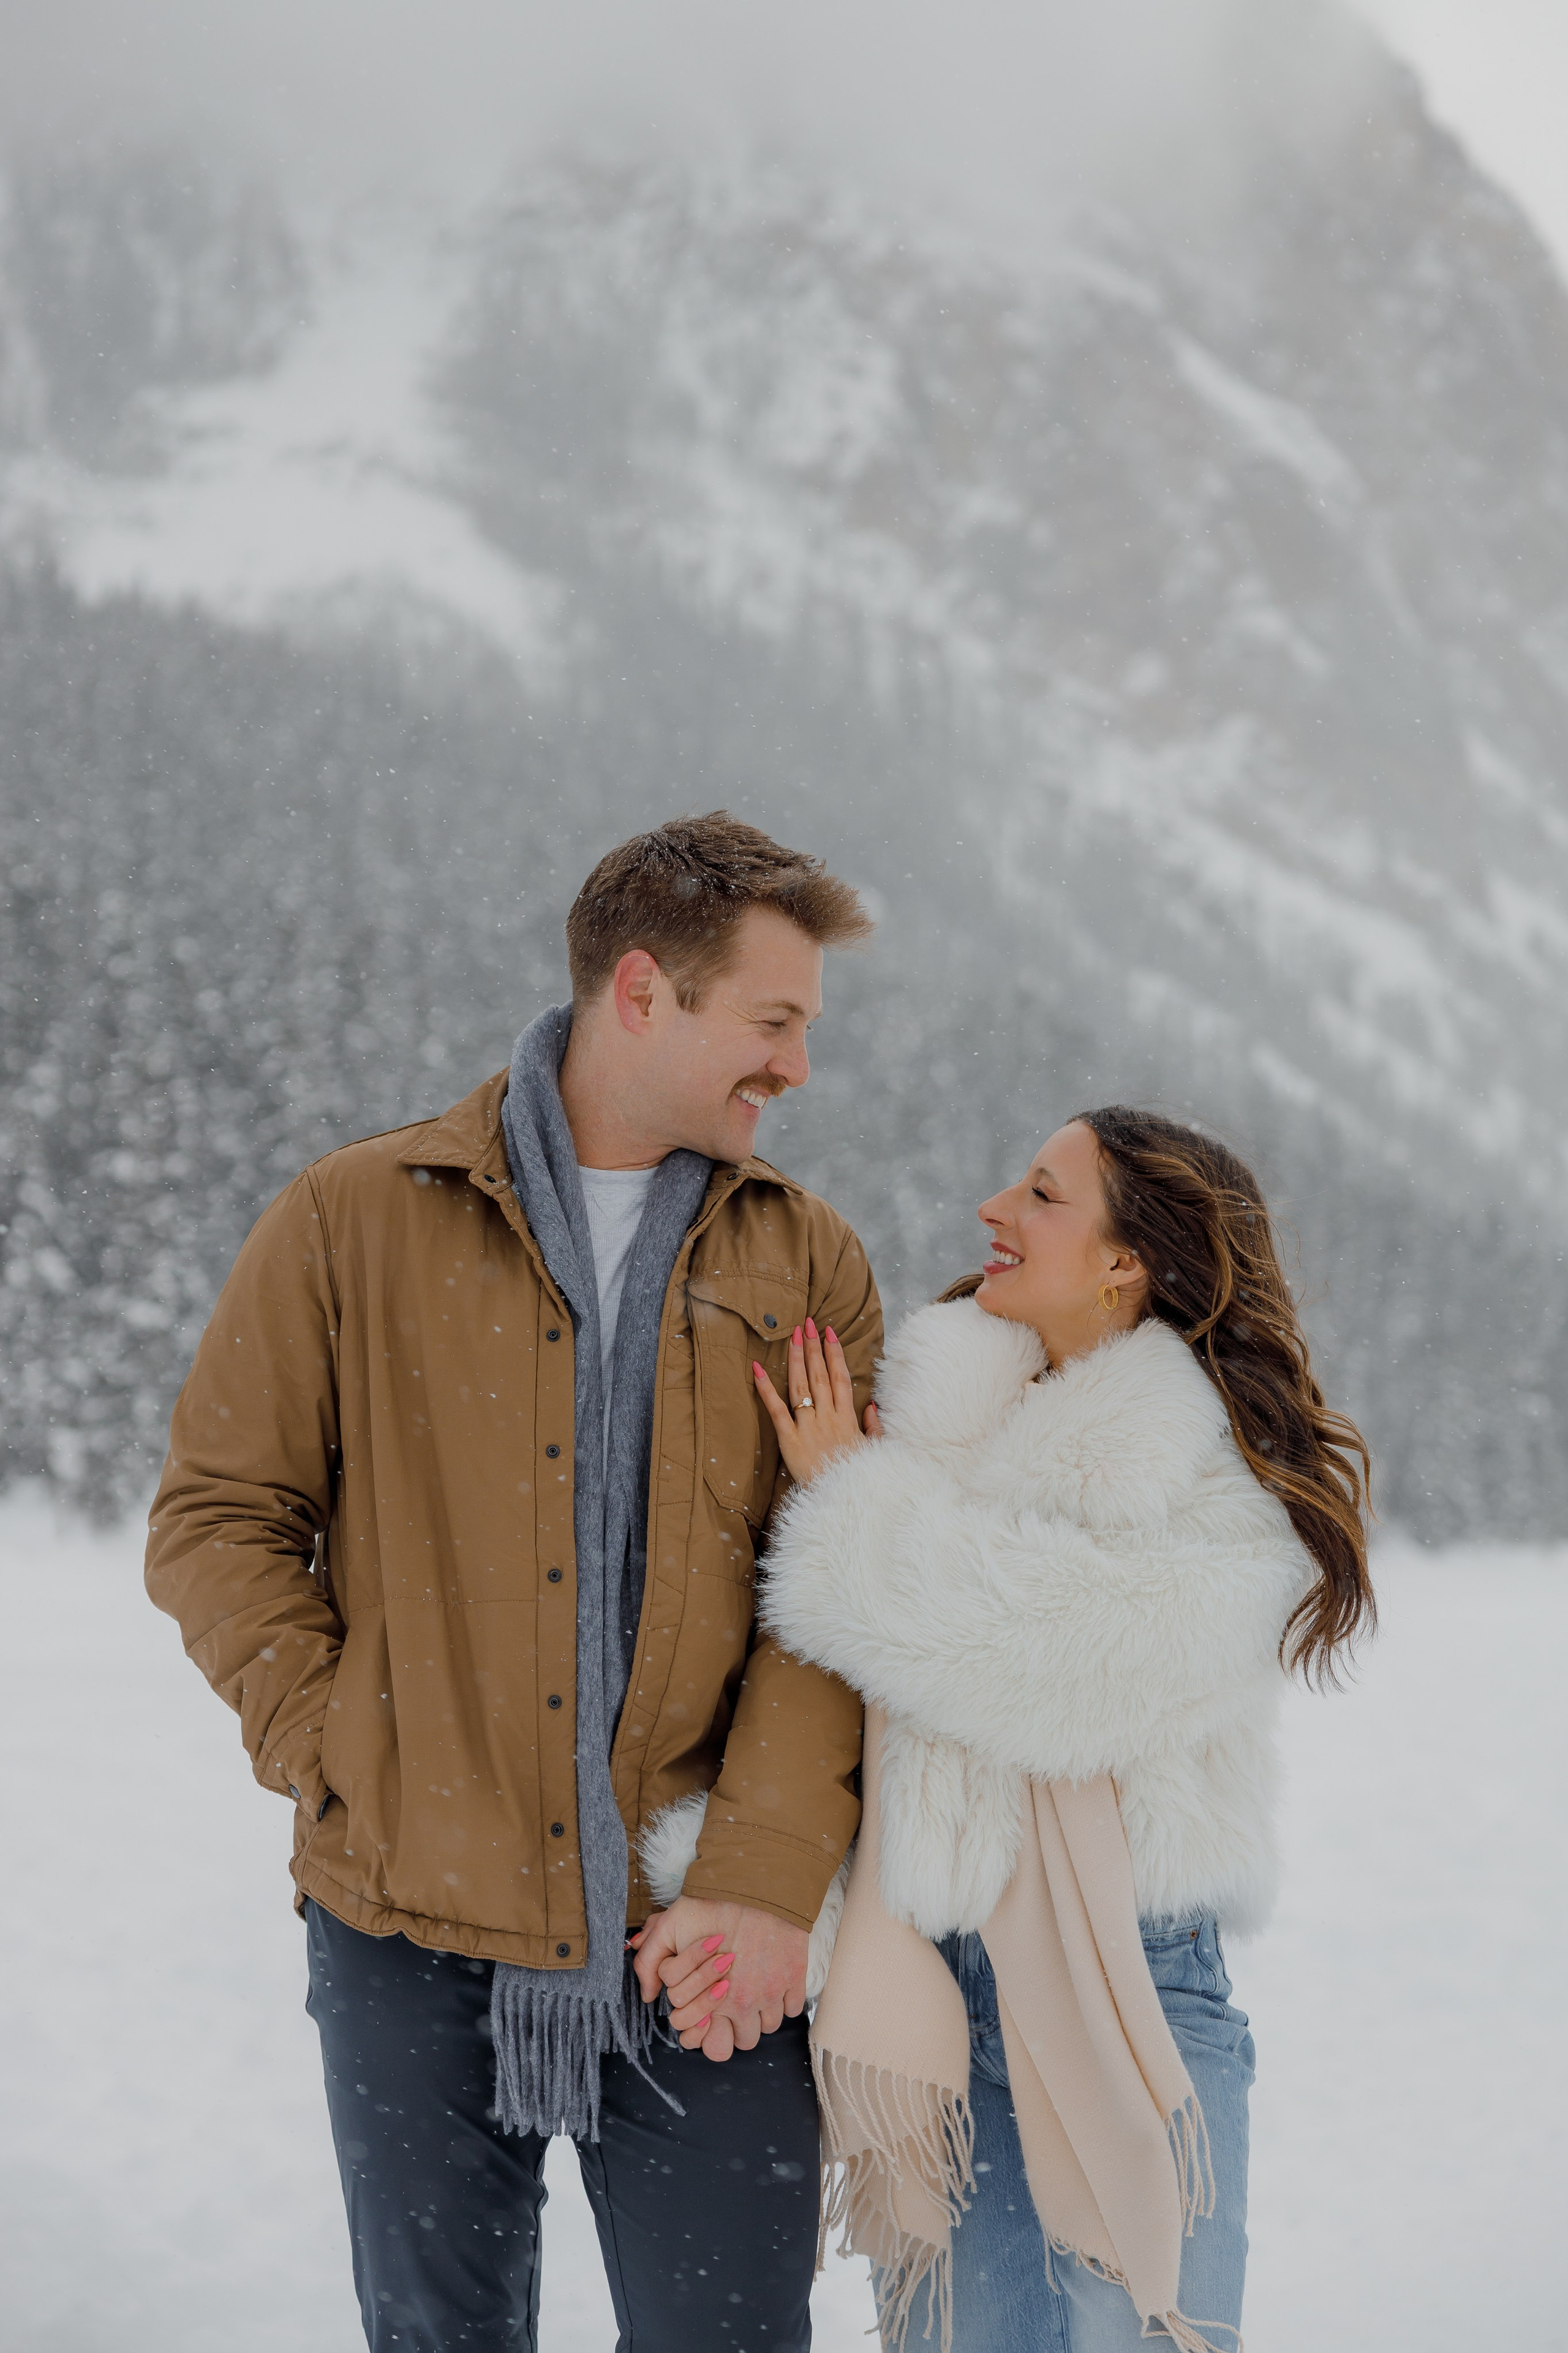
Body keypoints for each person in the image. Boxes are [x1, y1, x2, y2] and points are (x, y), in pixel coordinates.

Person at [145, 812, 883, 2353]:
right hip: (405, 1923)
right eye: (771, 1022)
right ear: (641, 991)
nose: (796, 1068)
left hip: (699, 1938)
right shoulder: (358, 1217)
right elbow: (218, 1513)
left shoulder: (803, 1263)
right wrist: (343, 1744)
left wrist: (759, 1878)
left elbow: (832, 1586)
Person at [719, 1108, 1372, 2352]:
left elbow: (1049, 1661)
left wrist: (851, 1509)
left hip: (1130, 1981)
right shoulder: (931, 1427)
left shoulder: (1223, 1478)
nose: (992, 1212)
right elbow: (855, 1694)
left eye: (1040, 1193)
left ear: (1126, 1260)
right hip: (932, 1983)